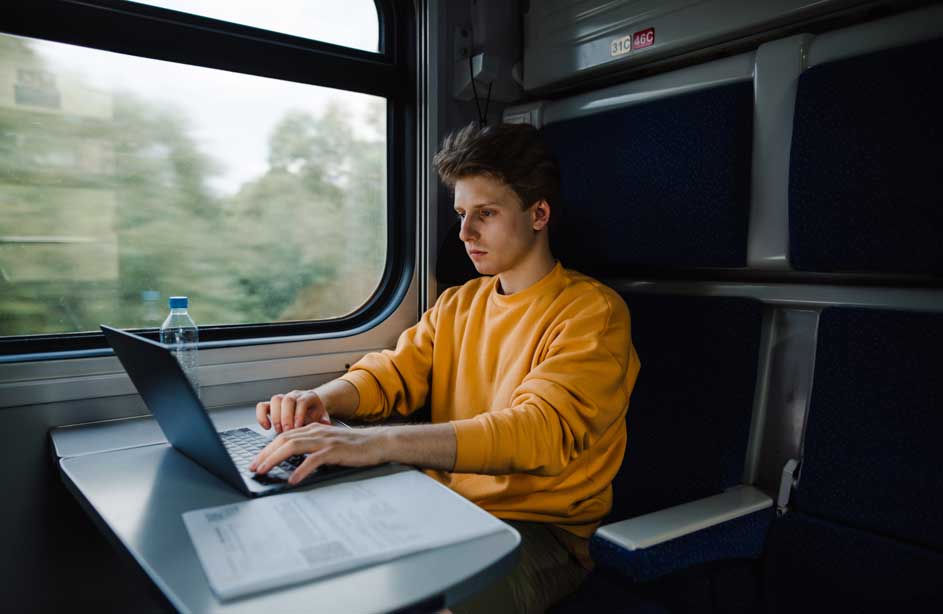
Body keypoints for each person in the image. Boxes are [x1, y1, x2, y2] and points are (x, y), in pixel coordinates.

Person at [249, 122, 641, 613]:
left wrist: (372, 443)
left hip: (536, 530)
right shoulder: (460, 303)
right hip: (442, 506)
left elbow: (538, 432)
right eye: (460, 214)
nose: (464, 233)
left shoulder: (591, 313)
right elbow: (393, 373)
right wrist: (321, 400)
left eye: (486, 214)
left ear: (539, 213)